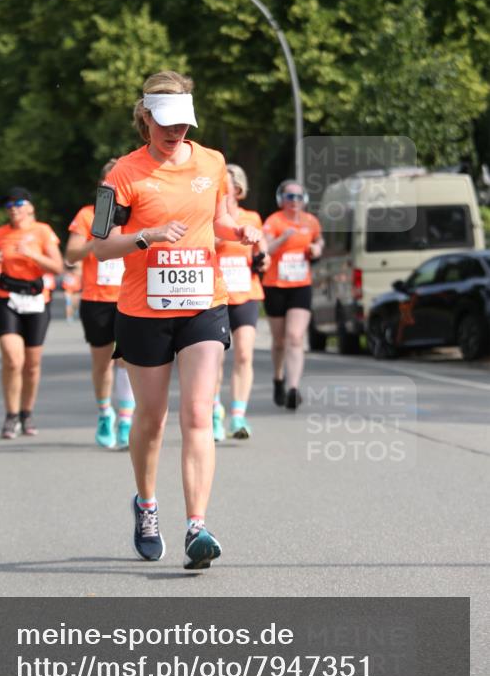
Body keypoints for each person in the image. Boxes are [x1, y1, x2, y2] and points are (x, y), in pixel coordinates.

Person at [93, 71, 260, 570]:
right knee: (152, 418)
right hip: (143, 310)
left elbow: (221, 218)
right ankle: (147, 505)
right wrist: (147, 236)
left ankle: (197, 526)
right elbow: (101, 244)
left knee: (196, 411)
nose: (176, 134)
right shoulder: (121, 175)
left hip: (204, 302)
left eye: (184, 124)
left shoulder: (212, 161)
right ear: (144, 118)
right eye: (166, 124)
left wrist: (241, 230)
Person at [65, 161, 135, 450]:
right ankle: (105, 412)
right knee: (103, 363)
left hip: (130, 297)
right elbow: (70, 255)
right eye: (110, 183)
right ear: (102, 186)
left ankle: (126, 419)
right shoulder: (87, 215)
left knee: (127, 361)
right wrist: (98, 244)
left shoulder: (136, 212)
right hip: (97, 300)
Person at [0, 187, 63, 439]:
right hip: (7, 299)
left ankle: (26, 413)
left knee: (31, 365)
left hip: (37, 301)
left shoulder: (43, 231)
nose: (13, 209)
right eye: (8, 206)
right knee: (12, 359)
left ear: (30, 207)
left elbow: (58, 266)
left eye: (18, 203)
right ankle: (11, 415)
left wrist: (33, 255)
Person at [213, 164, 268, 441]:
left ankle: (238, 415)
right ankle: (214, 411)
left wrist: (263, 258)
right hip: (216, 294)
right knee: (214, 360)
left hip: (246, 293)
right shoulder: (211, 217)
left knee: (244, 354)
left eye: (228, 182)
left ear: (237, 188)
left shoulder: (252, 217)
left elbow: (263, 251)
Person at [262, 179, 324, 409]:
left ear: (304, 200)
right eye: (289, 197)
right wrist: (283, 238)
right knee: (279, 341)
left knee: (295, 337)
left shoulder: (310, 221)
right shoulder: (274, 221)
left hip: (301, 285)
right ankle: (278, 379)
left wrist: (317, 248)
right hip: (275, 286)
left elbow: (319, 240)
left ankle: (293, 388)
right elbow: (265, 249)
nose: (294, 201)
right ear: (281, 200)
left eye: (298, 197)